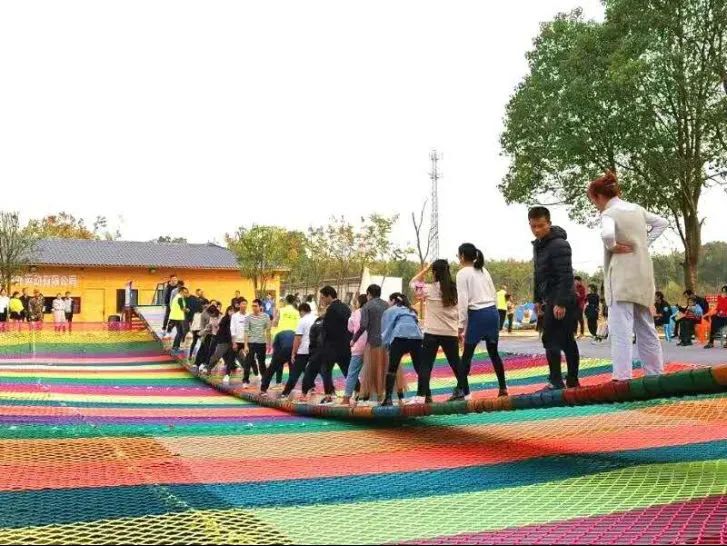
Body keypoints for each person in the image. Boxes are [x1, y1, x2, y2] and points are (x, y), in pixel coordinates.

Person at [588, 170, 668, 381]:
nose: (595, 205)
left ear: (598, 196)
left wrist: (613, 246)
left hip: (621, 278)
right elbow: (662, 222)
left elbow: (607, 234)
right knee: (647, 328)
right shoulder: (637, 209)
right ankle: (655, 374)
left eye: (593, 201)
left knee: (621, 331)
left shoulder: (609, 214)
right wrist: (643, 243)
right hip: (643, 274)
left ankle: (622, 377)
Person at [529, 207, 581, 390]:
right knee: (565, 339)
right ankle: (570, 381)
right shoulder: (538, 245)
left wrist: (561, 303)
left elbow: (566, 275)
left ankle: (557, 381)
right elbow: (538, 275)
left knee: (551, 338)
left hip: (561, 299)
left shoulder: (559, 244)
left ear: (549, 223)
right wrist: (537, 299)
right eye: (533, 226)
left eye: (541, 225)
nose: (537, 230)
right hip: (548, 298)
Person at [450, 243, 508, 401]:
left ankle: (462, 391)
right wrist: (494, 313)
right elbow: (493, 294)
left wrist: (461, 325)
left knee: (466, 356)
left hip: (477, 315)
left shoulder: (462, 273)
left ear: (462, 256)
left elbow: (463, 300)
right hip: (492, 313)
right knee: (493, 353)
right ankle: (503, 388)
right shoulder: (483, 270)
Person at [410, 260, 461, 404]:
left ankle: (421, 397)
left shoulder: (428, 289)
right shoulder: (455, 290)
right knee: (456, 364)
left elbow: (412, 282)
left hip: (432, 332)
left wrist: (425, 269)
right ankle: (465, 391)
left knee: (426, 365)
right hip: (450, 332)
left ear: (434, 272)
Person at [301, 286, 351, 404]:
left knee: (325, 370)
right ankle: (359, 392)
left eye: (323, 297)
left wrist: (322, 344)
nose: (322, 300)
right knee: (348, 371)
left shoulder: (331, 309)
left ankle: (328, 395)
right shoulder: (346, 307)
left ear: (329, 296)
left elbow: (327, 329)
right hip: (344, 345)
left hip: (331, 346)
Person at [380, 293, 422, 406]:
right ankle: (426, 395)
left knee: (392, 369)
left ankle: (388, 398)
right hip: (416, 338)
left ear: (393, 301)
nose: (388, 303)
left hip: (400, 337)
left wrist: (387, 344)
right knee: (420, 368)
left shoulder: (390, 311)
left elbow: (387, 329)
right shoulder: (412, 311)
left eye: (389, 301)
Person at [352, 284, 388, 402]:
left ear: (369, 294)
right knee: (385, 369)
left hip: (373, 342)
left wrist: (354, 339)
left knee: (371, 370)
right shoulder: (386, 305)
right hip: (386, 342)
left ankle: (374, 396)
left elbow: (363, 325)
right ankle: (383, 396)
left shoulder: (367, 306)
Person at [283, 304, 319, 398]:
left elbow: (298, 338)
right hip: (316, 350)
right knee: (315, 371)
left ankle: (286, 392)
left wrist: (293, 352)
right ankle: (315, 389)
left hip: (304, 350)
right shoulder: (317, 319)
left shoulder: (302, 320)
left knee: (295, 372)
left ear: (302, 311)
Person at [342, 294, 368, 405]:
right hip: (371, 345)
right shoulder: (371, 311)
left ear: (359, 302)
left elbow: (350, 328)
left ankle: (346, 398)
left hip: (358, 345)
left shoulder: (355, 313)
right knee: (370, 372)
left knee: (352, 372)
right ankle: (368, 396)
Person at [201, 306, 238, 385]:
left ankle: (248, 371)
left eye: (233, 311)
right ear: (228, 311)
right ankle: (208, 368)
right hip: (224, 341)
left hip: (234, 341)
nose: (232, 312)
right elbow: (221, 330)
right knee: (217, 355)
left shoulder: (236, 319)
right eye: (230, 311)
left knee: (240, 356)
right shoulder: (225, 319)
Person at [243, 299, 272, 387]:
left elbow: (268, 331)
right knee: (248, 362)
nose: (254, 308)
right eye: (252, 306)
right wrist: (245, 345)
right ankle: (245, 381)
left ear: (260, 307)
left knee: (262, 362)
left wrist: (269, 344)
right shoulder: (248, 317)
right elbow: (246, 332)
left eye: (255, 306)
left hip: (261, 343)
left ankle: (264, 380)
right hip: (251, 343)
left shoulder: (266, 316)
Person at [272, 295, 300, 384]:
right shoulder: (297, 312)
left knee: (278, 360)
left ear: (286, 301)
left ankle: (278, 382)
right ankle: (291, 383)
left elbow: (274, 323)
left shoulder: (281, 310)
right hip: (294, 337)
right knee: (292, 360)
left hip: (281, 337)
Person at [260, 329, 296, 394]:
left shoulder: (278, 335)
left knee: (272, 368)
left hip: (285, 348)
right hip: (293, 349)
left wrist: (275, 361)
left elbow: (276, 352)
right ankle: (289, 388)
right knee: (293, 370)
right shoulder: (295, 334)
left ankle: (263, 388)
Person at [194, 302, 221, 369]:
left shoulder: (220, 316)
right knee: (203, 348)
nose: (210, 316)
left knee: (211, 351)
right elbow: (204, 325)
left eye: (215, 305)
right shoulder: (206, 313)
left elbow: (219, 327)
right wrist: (202, 333)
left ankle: (206, 364)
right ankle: (197, 363)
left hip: (217, 336)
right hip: (208, 335)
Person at [169, 287, 189, 352]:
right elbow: (182, 308)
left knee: (180, 332)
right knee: (180, 332)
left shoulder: (177, 297)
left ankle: (175, 346)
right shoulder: (179, 298)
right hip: (178, 317)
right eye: (185, 292)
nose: (185, 294)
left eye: (186, 292)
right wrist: (187, 310)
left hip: (176, 317)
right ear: (181, 292)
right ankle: (175, 347)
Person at [230, 298, 249, 367]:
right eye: (243, 304)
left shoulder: (249, 315)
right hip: (237, 341)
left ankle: (253, 372)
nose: (244, 305)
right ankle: (228, 373)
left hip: (247, 341)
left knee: (251, 359)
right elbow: (232, 329)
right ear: (239, 305)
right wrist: (234, 343)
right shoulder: (234, 316)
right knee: (231, 359)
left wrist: (247, 344)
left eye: (246, 304)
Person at [187, 289, 205, 357]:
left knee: (195, 342)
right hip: (199, 330)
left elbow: (193, 323)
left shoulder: (196, 314)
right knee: (201, 343)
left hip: (196, 330)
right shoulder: (201, 314)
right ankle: (194, 355)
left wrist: (192, 329)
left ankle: (190, 355)